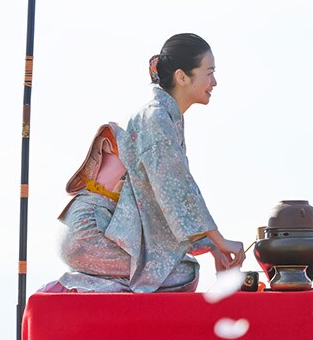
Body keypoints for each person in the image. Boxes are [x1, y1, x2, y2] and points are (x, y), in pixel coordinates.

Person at [52, 33, 246, 292]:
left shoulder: (164, 117)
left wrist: (212, 246)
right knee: (180, 273)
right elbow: (175, 188)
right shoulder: (155, 118)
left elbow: (163, 200)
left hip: (102, 228)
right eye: (209, 72)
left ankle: (96, 284)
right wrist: (219, 240)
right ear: (182, 77)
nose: (215, 82)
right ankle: (79, 285)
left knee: (178, 270)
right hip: (91, 231)